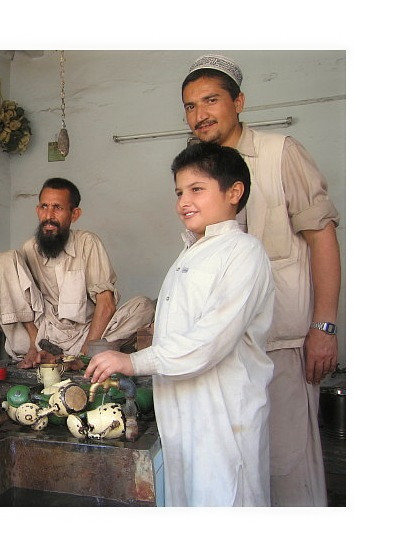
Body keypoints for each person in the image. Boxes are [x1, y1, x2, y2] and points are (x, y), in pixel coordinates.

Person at [180, 54, 341, 506]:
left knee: (288, 471)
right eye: (190, 106)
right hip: (224, 351)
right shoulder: (199, 172)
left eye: (211, 100)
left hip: (282, 344)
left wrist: (324, 327)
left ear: (239, 102)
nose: (200, 114)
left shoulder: (280, 153)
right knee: (240, 472)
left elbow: (322, 240)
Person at [86, 142, 275, 506]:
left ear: (234, 192)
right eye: (179, 192)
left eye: (196, 189)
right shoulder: (191, 252)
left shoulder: (244, 253)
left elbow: (210, 340)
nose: (183, 201)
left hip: (222, 416)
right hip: (182, 411)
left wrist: (134, 361)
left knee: (226, 504)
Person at [0, 177, 155, 368]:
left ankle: (81, 357)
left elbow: (106, 304)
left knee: (144, 306)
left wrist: (84, 355)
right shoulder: (30, 248)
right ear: (37, 210)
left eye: (58, 208)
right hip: (40, 335)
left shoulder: (87, 243)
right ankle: (36, 351)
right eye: (44, 207)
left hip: (84, 337)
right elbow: (20, 287)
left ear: (74, 214)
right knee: (5, 258)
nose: (49, 216)